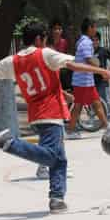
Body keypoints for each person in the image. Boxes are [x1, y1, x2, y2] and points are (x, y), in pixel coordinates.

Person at [0, 21, 110, 214]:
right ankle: (9, 143)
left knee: (59, 160)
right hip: (51, 113)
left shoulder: (14, 60)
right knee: (53, 156)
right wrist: (101, 71)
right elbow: (72, 65)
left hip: (36, 113)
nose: (46, 42)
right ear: (39, 39)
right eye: (45, 38)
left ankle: (57, 199)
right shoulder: (45, 53)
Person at [67, 18, 110, 139]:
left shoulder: (82, 41)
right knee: (79, 106)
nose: (95, 30)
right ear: (90, 28)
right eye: (94, 27)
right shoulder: (86, 42)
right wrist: (99, 66)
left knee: (96, 103)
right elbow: (88, 59)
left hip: (84, 80)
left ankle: (107, 126)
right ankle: (70, 131)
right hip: (83, 81)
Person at [35, 19, 74, 180]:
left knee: (57, 136)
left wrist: (64, 94)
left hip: (54, 101)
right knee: (52, 137)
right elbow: (48, 84)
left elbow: (54, 83)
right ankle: (44, 167)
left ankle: (55, 166)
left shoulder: (51, 61)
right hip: (48, 104)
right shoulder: (46, 59)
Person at [92, 31, 110, 121]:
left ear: (99, 41)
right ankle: (98, 118)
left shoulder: (103, 50)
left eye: (97, 40)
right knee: (95, 100)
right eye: (93, 40)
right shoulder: (88, 52)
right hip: (92, 80)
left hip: (103, 80)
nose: (95, 42)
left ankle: (109, 117)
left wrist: (109, 70)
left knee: (106, 99)